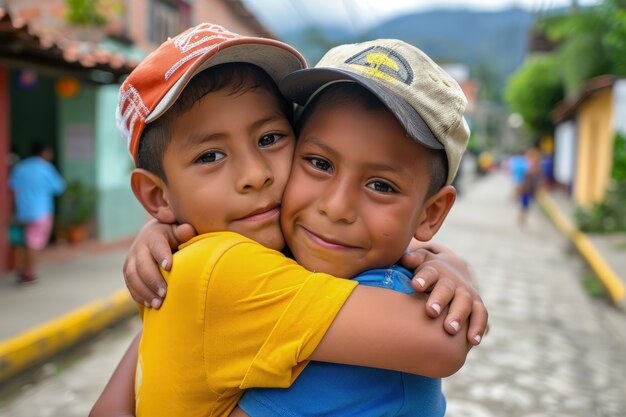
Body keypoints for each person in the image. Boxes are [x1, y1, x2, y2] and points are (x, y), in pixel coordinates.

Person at [90, 23, 486, 417]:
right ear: (158, 196)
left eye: (269, 139)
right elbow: (441, 342)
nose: (255, 174)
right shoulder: (224, 270)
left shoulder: (199, 267)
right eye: (319, 163)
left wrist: (438, 259)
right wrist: (457, 271)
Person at [8, 142, 65, 283]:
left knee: (26, 242)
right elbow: (59, 187)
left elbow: (11, 187)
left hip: (23, 211)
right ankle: (29, 272)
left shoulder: (20, 167)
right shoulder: (46, 168)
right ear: (45, 153)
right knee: (34, 243)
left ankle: (22, 269)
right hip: (41, 211)